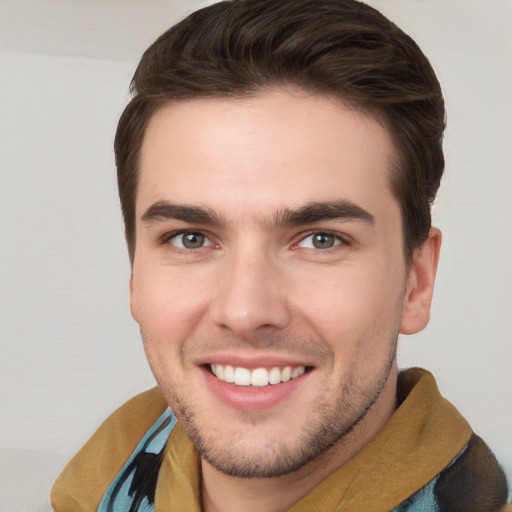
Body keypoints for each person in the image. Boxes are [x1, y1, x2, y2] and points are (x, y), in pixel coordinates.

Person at [50, 0, 510, 510]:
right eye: (191, 238)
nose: (245, 312)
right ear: (135, 274)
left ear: (415, 282)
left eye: (321, 239)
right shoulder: (115, 460)